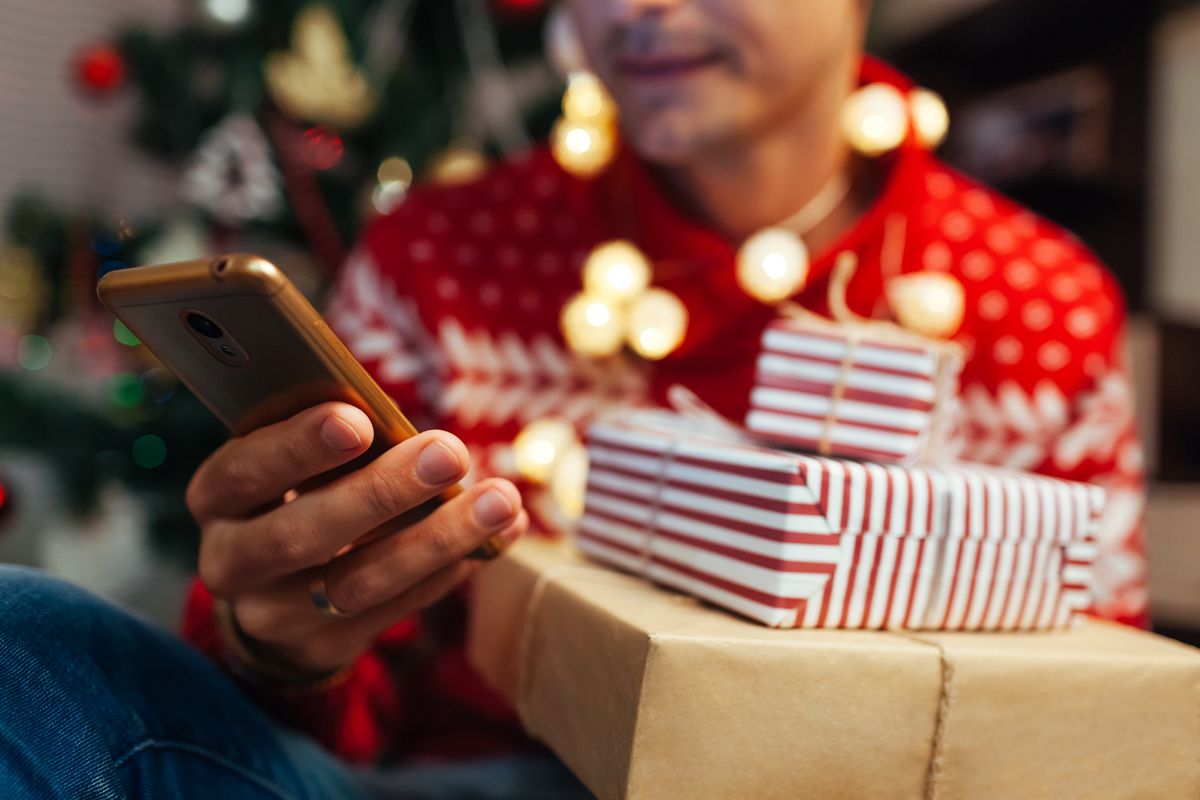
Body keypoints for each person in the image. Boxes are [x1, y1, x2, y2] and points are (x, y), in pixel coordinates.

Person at [0, 1, 1145, 797]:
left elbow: (1090, 734)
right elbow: (314, 722)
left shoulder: (1033, 302)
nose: (631, 8)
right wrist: (280, 644)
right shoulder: (441, 258)